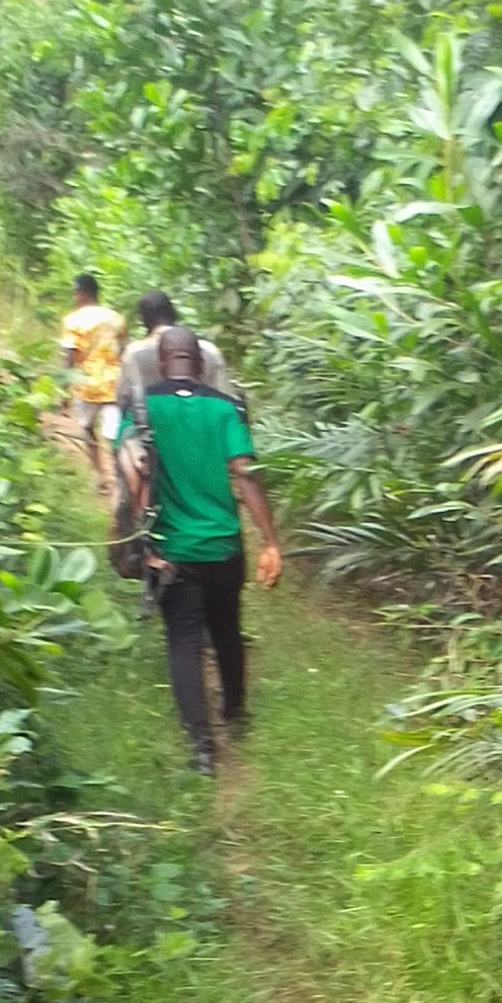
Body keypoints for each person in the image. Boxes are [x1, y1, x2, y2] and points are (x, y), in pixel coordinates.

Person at [118, 325, 282, 774]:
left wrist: (142, 540)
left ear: (162, 358)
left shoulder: (142, 406)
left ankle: (202, 747)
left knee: (183, 642)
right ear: (202, 362)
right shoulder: (225, 407)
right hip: (224, 546)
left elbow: (132, 469)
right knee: (227, 628)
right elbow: (245, 473)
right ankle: (234, 711)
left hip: (172, 551)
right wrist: (270, 541)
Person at [118, 290, 243, 422]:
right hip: (205, 427)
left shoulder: (134, 354)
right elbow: (226, 396)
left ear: (143, 320)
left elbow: (124, 398)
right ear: (174, 314)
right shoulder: (209, 350)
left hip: (155, 430)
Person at [59, 273, 127, 495]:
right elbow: (124, 352)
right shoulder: (116, 318)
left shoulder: (73, 321)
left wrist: (63, 391)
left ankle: (100, 475)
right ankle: (119, 477)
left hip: (86, 385)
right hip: (115, 385)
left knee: (87, 429)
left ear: (80, 293)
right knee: (115, 436)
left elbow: (68, 355)